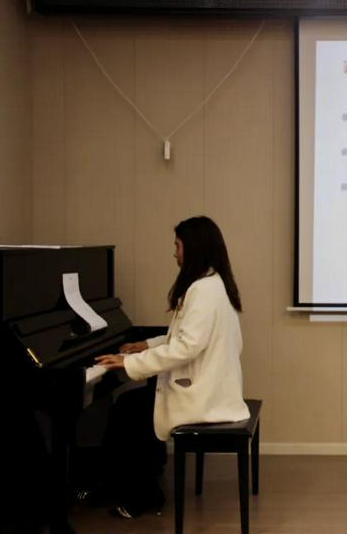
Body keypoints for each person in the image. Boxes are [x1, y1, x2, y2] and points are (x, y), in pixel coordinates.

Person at [96, 215, 250, 518]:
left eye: (177, 245)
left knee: (127, 410)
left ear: (193, 248)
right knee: (133, 406)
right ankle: (140, 486)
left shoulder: (202, 290)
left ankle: (138, 494)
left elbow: (186, 347)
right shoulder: (214, 284)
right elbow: (186, 337)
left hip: (204, 396)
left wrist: (129, 362)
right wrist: (147, 345)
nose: (174, 253)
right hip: (212, 387)